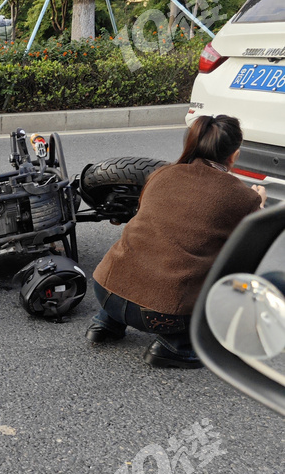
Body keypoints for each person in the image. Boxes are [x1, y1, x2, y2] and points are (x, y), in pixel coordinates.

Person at [86, 115, 266, 369]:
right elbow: (252, 249)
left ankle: (106, 323)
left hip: (105, 290)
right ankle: (176, 346)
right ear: (234, 155)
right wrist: (260, 204)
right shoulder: (242, 197)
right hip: (162, 314)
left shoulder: (162, 173)